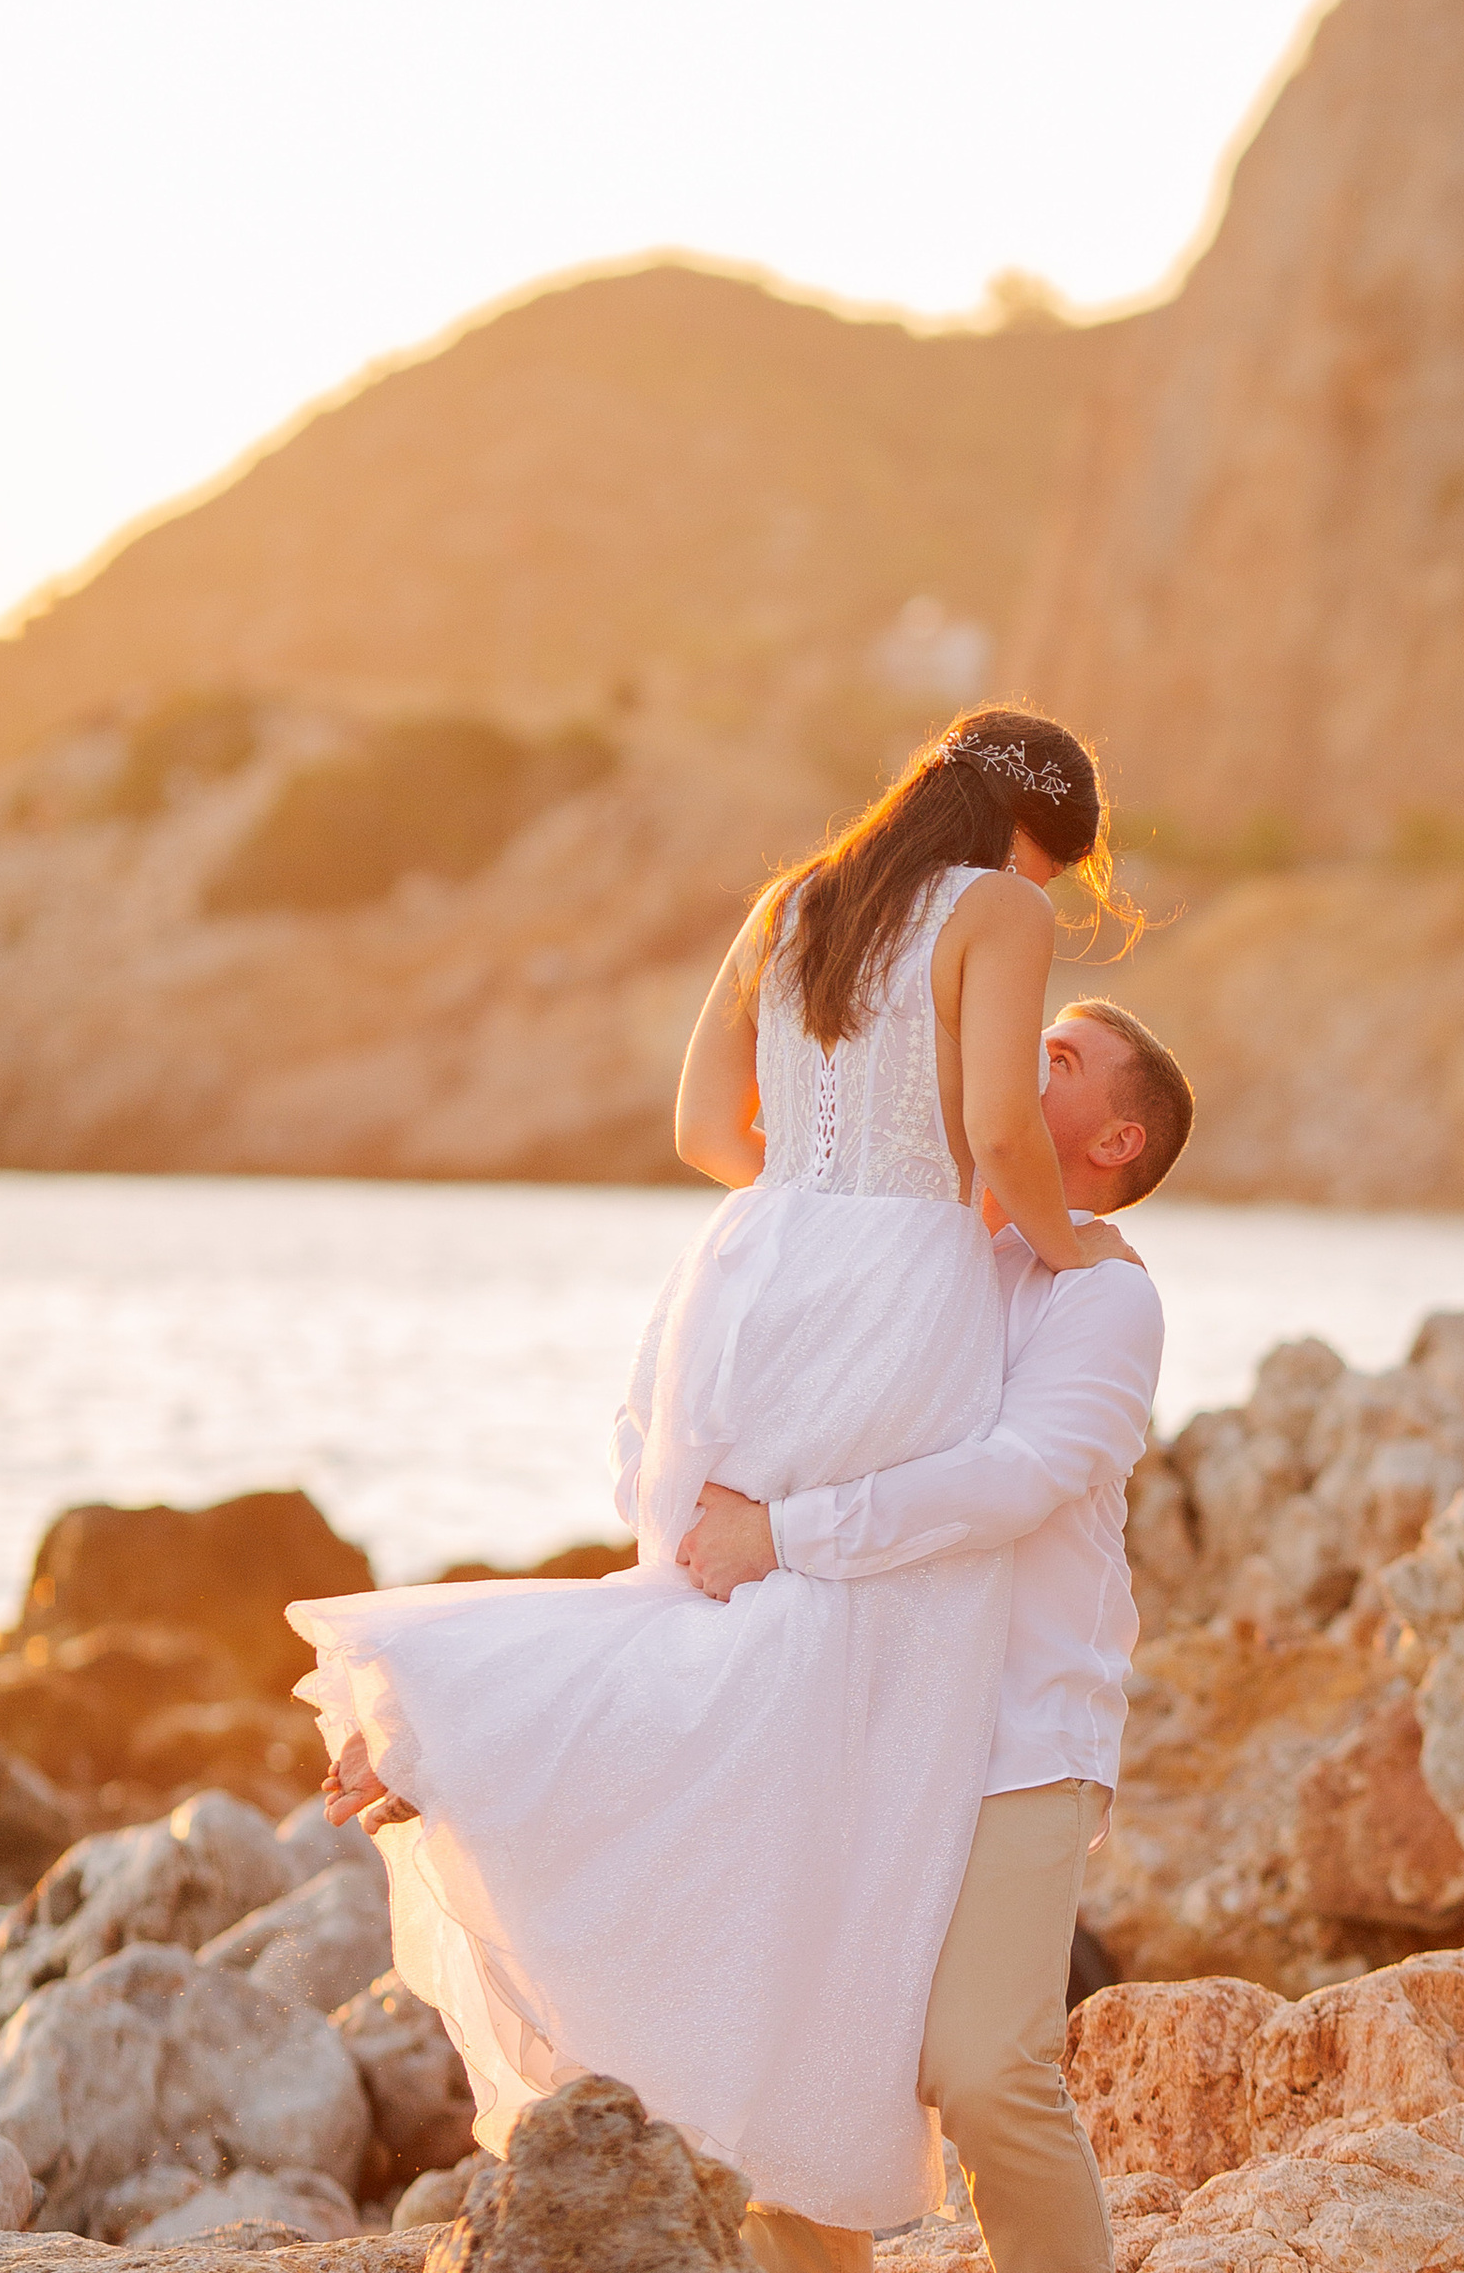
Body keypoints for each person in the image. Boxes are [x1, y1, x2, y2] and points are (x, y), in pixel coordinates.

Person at [287, 707, 1140, 2240]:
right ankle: (454, 1720)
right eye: (1054, 874)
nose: (1047, 904)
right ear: (1036, 838)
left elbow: (702, 1128)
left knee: (718, 1630)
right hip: (887, 1280)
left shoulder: (796, 900)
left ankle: (458, 1730)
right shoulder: (999, 911)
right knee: (798, 1639)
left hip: (740, 1277)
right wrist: (1028, 1238)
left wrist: (818, 1193)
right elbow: (1002, 1128)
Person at [677, 996, 1194, 2273]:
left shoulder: (1104, 1294)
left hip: (1021, 1734)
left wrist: (784, 1533)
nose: (1015, 1054)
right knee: (795, 2065)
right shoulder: (911, 1245)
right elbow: (718, 1137)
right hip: (856, 1707)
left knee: (983, 2066)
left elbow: (1015, 1479)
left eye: (1058, 1057)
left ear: (1115, 1140)